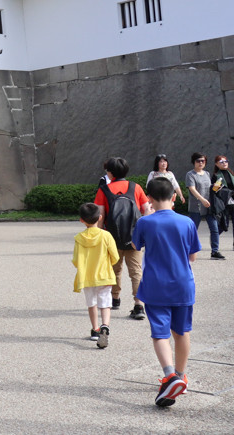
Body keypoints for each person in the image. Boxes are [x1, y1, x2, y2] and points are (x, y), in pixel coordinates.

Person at [132, 176, 199, 407]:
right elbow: (193, 256)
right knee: (182, 332)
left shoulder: (145, 222)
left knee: (160, 333)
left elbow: (135, 246)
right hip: (183, 284)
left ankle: (169, 375)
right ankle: (181, 376)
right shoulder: (187, 222)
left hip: (155, 286)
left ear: (149, 198)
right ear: (174, 197)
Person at [93, 157, 151, 319]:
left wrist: (99, 238)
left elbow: (100, 217)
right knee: (136, 272)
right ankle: (139, 305)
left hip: (113, 238)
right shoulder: (135, 187)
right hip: (134, 238)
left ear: (110, 173)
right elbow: (146, 211)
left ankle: (115, 298)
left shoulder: (104, 190)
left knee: (114, 270)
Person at [72, 202, 119, 349]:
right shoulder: (106, 235)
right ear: (100, 217)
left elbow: (75, 260)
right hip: (104, 275)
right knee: (105, 303)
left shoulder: (79, 238)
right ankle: (105, 325)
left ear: (81, 220)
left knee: (91, 303)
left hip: (87, 276)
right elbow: (115, 256)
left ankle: (95, 330)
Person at [185, 152, 224, 260]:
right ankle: (187, 250)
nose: (201, 163)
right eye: (198, 161)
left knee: (214, 229)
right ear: (194, 162)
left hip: (209, 206)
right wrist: (202, 199)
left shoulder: (207, 173)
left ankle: (215, 251)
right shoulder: (190, 174)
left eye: (203, 161)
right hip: (196, 206)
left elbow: (209, 188)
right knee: (193, 229)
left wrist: (216, 187)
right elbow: (192, 189)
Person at [210, 154, 234, 250]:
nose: (224, 163)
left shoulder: (231, 173)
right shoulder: (216, 175)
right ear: (217, 164)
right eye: (221, 162)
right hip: (224, 203)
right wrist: (217, 187)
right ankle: (214, 238)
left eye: (226, 161)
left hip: (233, 202)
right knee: (224, 224)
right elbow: (213, 190)